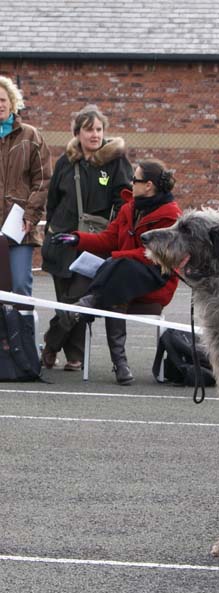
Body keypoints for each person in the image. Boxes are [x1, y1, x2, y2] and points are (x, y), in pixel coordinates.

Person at [50, 159, 182, 385]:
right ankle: (120, 364)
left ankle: (84, 309)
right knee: (117, 283)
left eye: (135, 180)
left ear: (148, 185)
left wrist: (119, 257)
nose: (131, 183)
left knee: (119, 269)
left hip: (156, 279)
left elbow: (155, 255)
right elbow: (109, 239)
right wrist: (77, 238)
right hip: (122, 280)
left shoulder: (171, 216)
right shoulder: (128, 208)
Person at [41, 104, 133, 371]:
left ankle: (50, 344)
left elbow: (125, 200)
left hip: (93, 242)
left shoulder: (116, 162)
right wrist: (50, 231)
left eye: (99, 129)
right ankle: (73, 357)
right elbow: (53, 200)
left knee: (78, 299)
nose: (95, 135)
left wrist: (113, 231)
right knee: (64, 299)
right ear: (77, 132)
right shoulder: (66, 162)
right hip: (61, 240)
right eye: (89, 129)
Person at [0, 76, 51, 295]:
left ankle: (24, 329)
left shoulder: (31, 136)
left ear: (12, 102)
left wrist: (31, 215)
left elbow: (43, 180)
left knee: (20, 284)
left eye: (2, 100)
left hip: (19, 226)